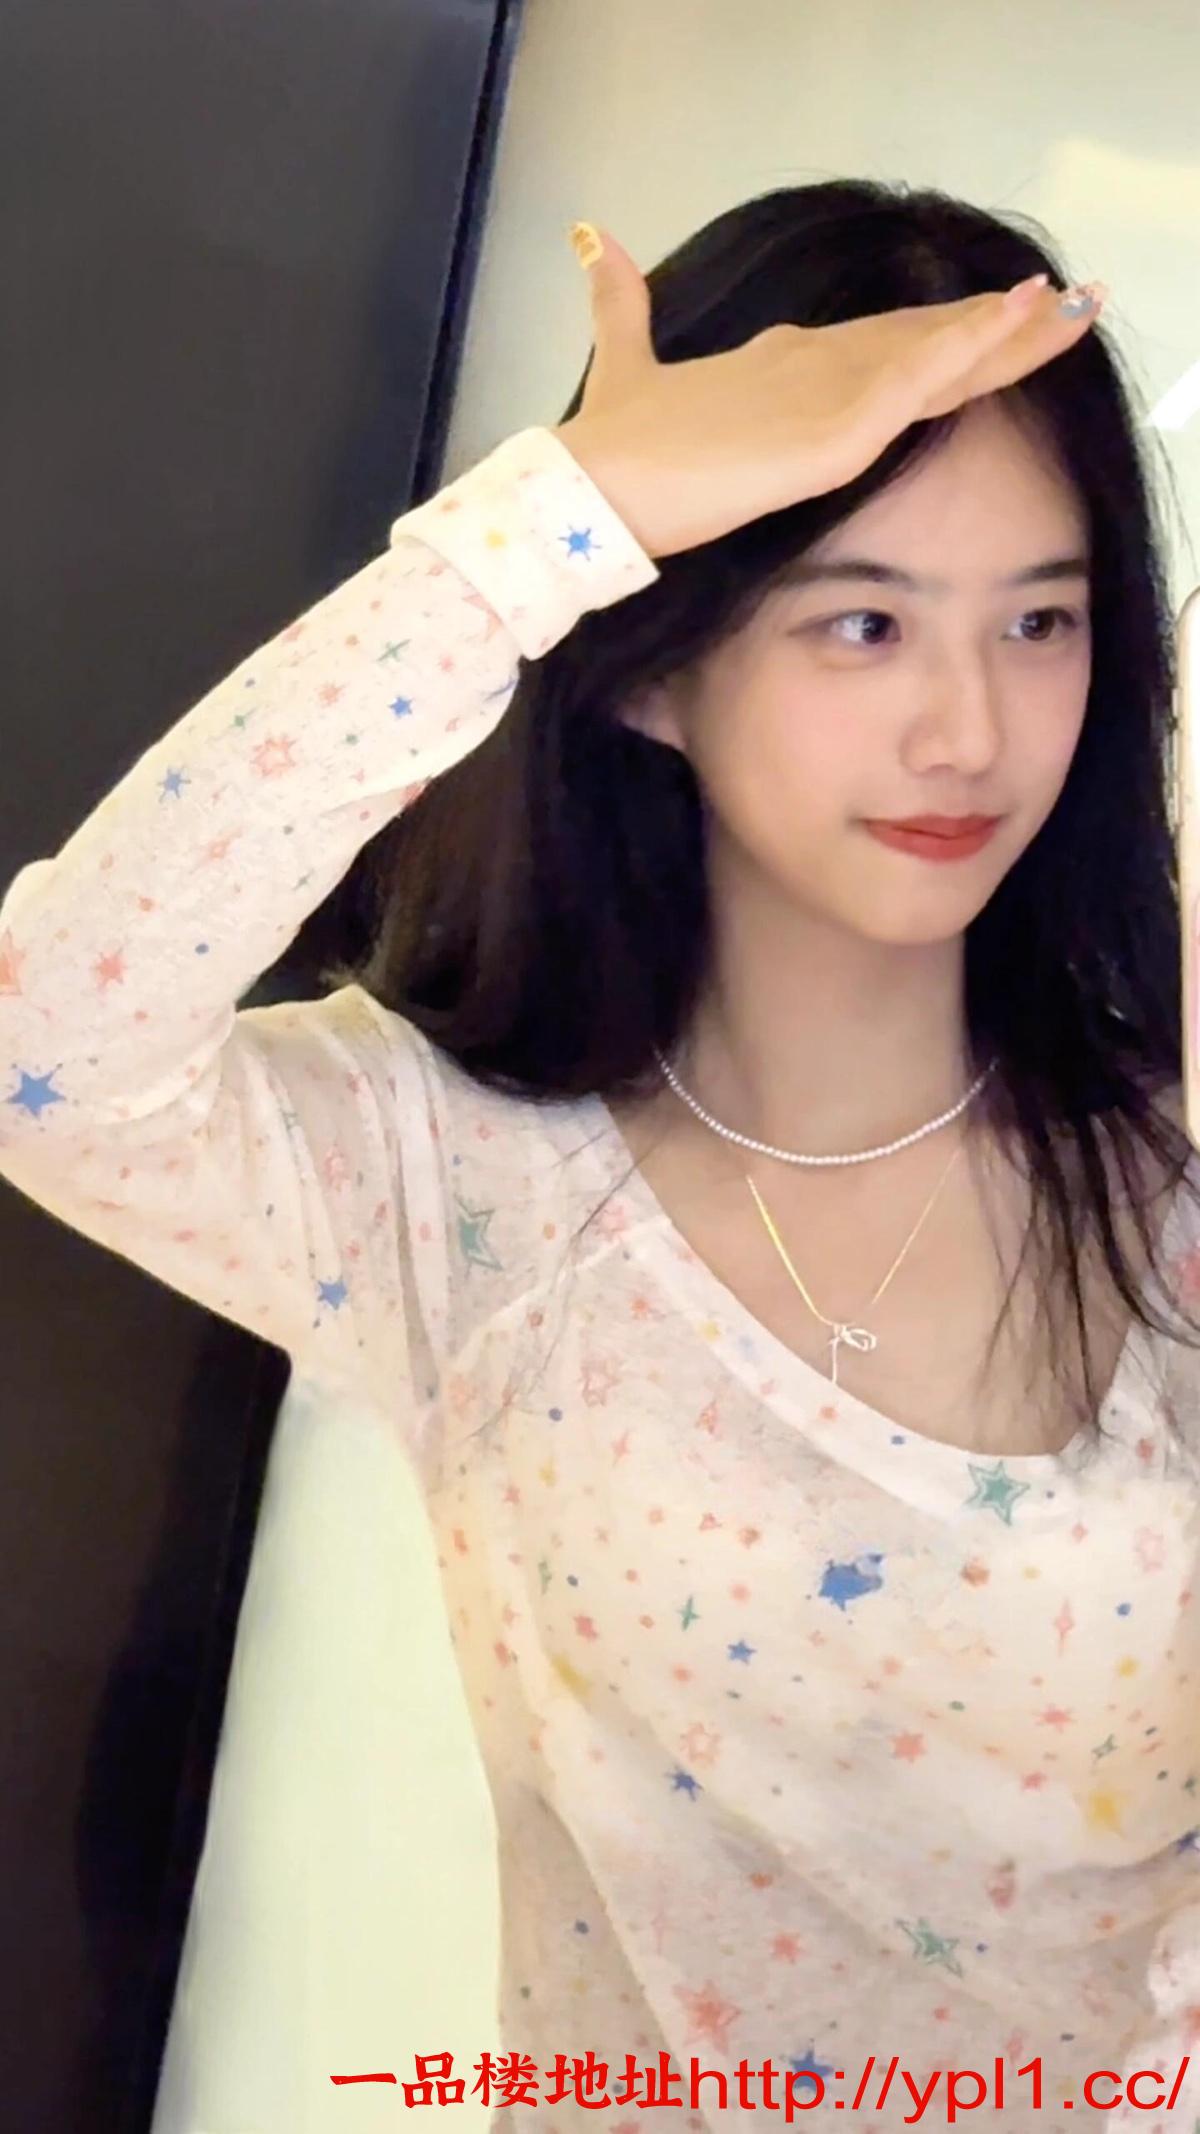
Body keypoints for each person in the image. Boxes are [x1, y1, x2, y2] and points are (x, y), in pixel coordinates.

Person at [2, 178, 1199, 2132]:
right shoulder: (456, 1178)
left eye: (1040, 620)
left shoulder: (1160, 1156)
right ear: (648, 659)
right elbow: (47, 1045)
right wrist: (553, 520)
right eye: (863, 620)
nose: (969, 727)